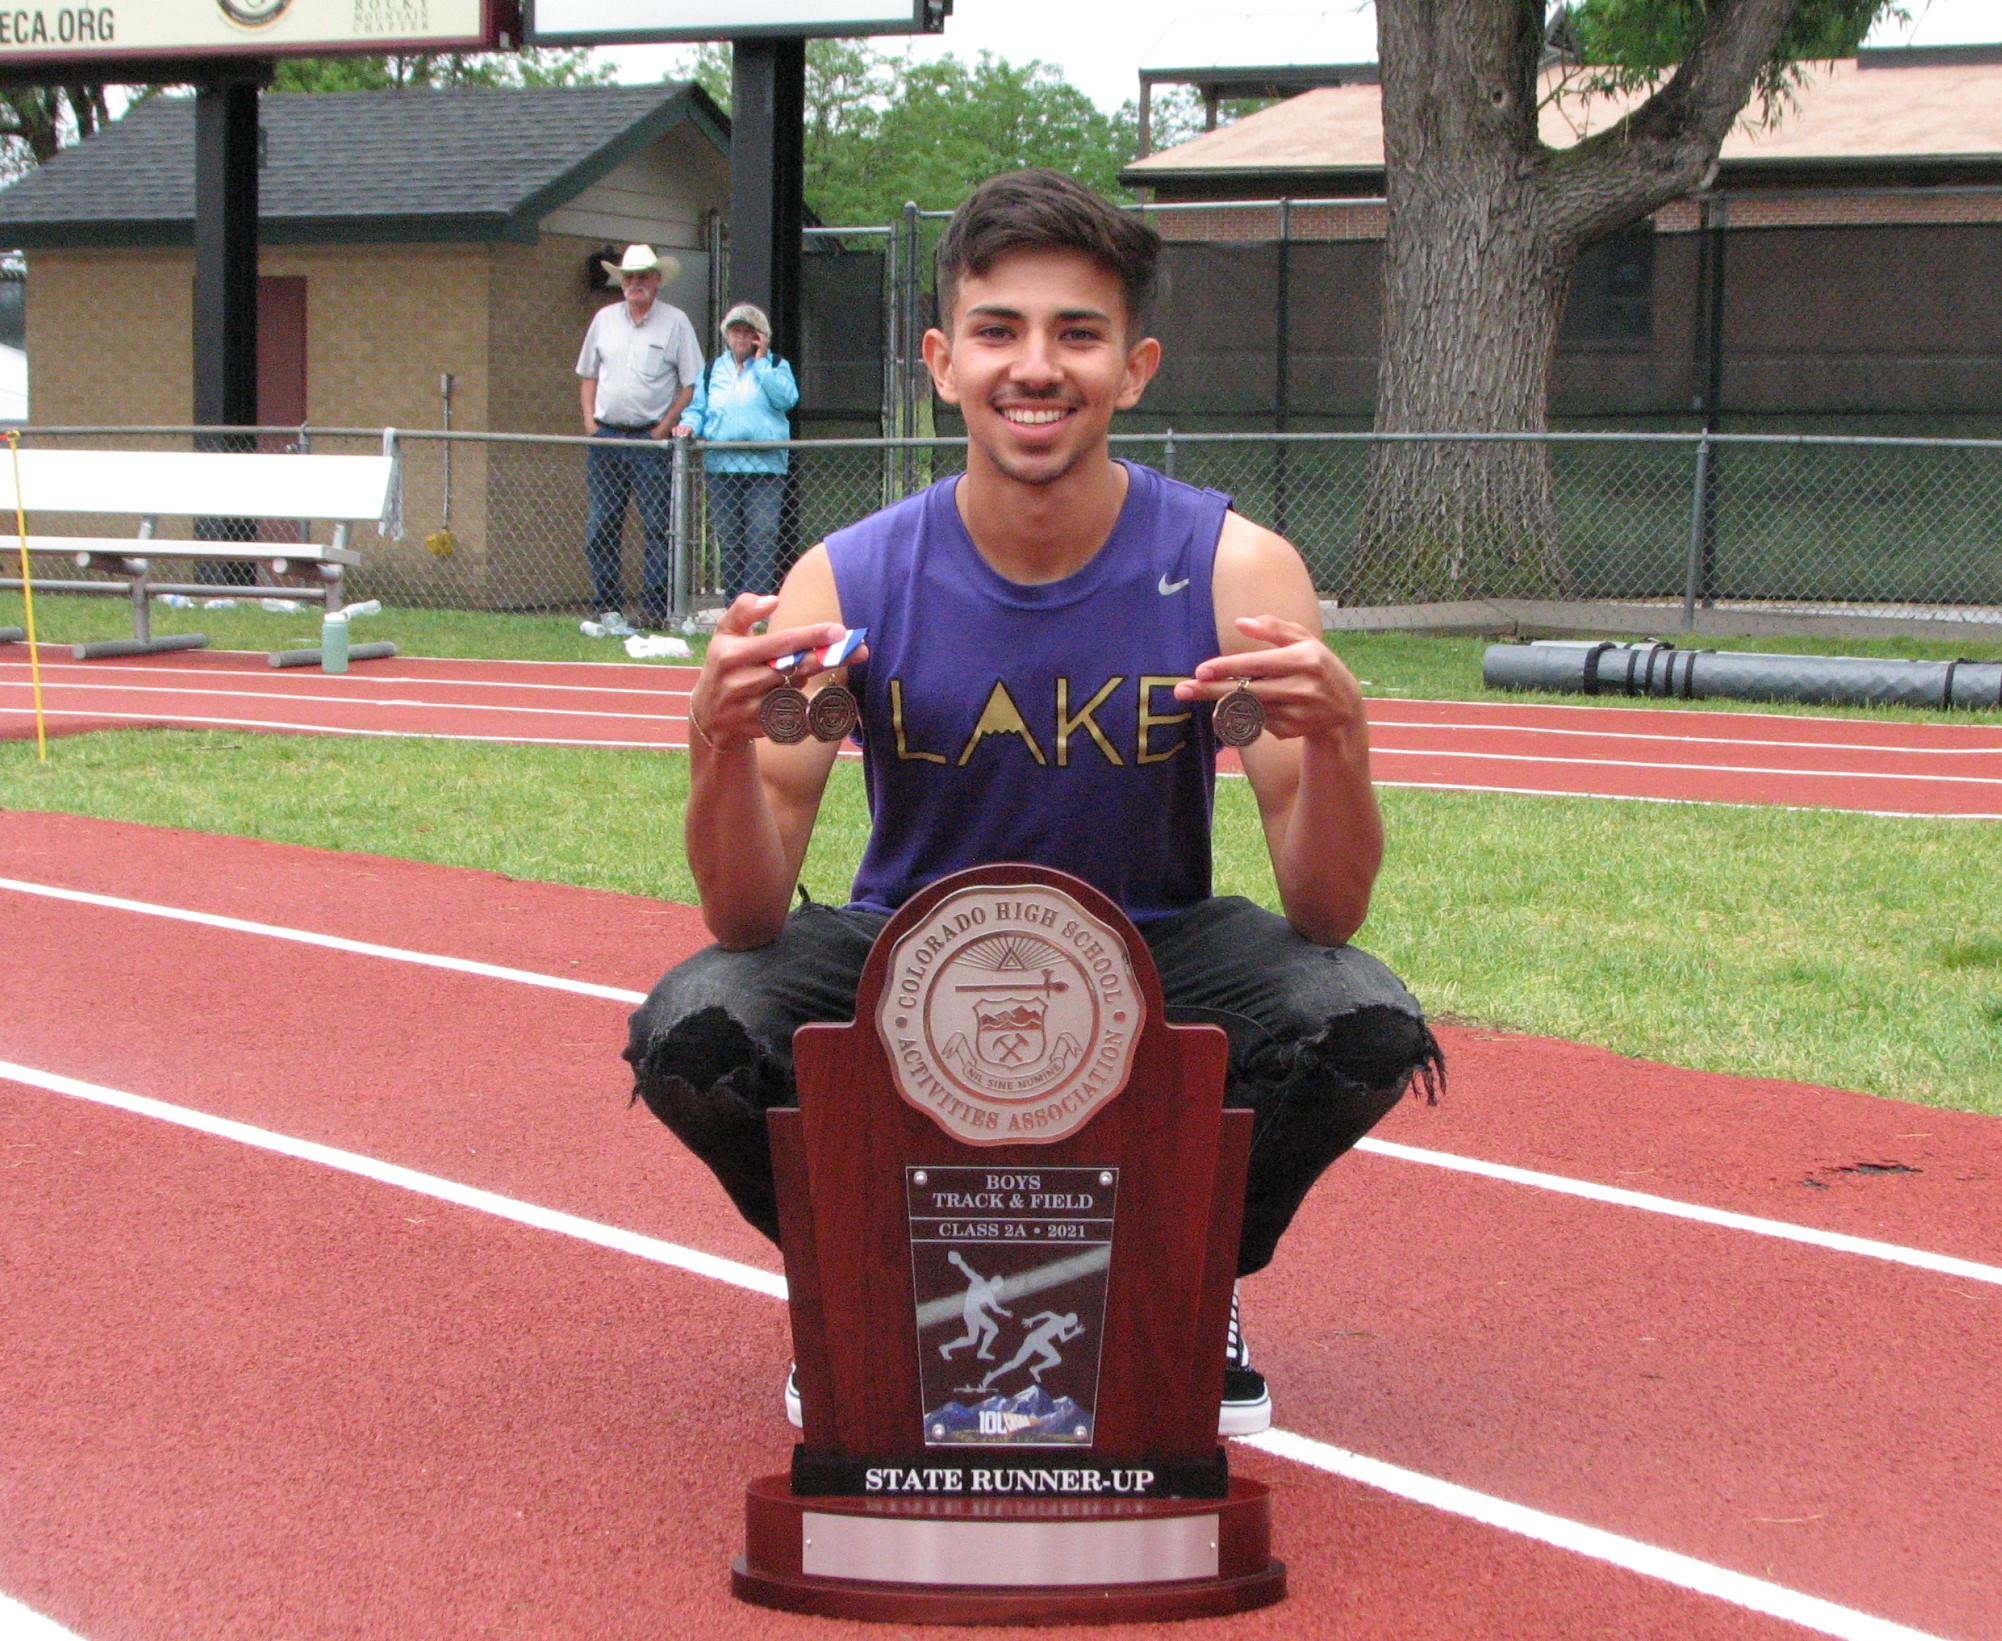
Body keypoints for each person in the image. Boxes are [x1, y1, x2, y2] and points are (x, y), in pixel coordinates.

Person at [625, 170, 1441, 1437]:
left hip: (1155, 945)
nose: (1036, 367)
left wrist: (1342, 741)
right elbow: (743, 917)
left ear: (1136, 364)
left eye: (1078, 333)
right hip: (908, 946)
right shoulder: (844, 578)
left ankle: (1186, 1279)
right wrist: (713, 750)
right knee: (695, 1028)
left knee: (1359, 1018)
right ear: (944, 361)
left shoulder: (1235, 566)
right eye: (1000, 331)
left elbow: (1323, 907)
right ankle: (861, 1287)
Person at [576, 244, 703, 629]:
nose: (635, 283)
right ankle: (607, 607)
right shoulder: (603, 319)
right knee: (602, 525)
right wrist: (590, 424)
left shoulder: (676, 322)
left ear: (657, 280)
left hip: (651, 442)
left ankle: (652, 609)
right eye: (629, 276)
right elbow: (588, 375)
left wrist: (661, 430)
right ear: (621, 281)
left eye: (643, 276)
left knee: (658, 527)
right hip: (608, 438)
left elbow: (690, 384)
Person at [675, 302, 800, 599]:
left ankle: (755, 605)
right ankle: (734, 604)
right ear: (727, 335)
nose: (741, 338)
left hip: (766, 466)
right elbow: (698, 410)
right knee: (730, 539)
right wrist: (688, 426)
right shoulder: (711, 370)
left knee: (761, 537)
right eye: (735, 331)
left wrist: (761, 363)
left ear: (760, 336)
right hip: (721, 466)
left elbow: (787, 399)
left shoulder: (776, 365)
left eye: (748, 332)